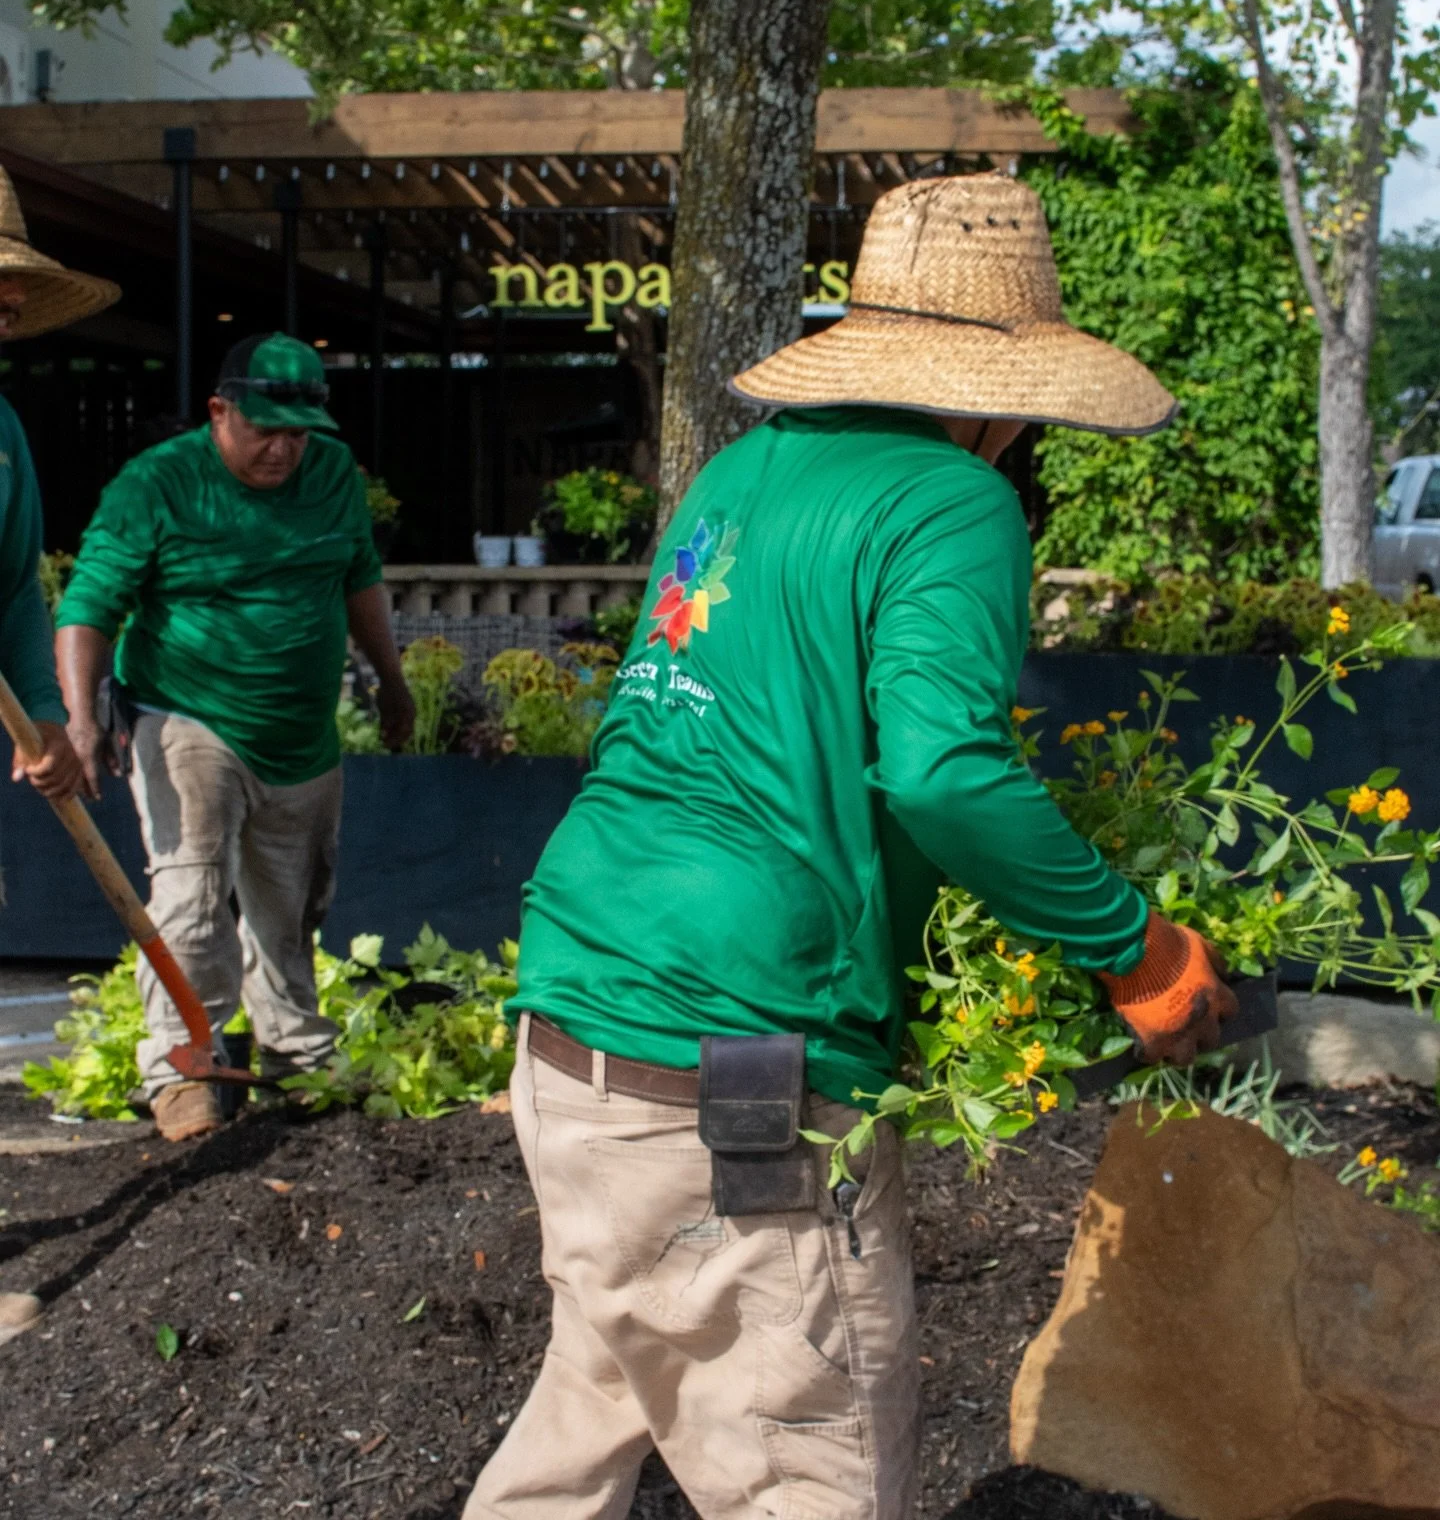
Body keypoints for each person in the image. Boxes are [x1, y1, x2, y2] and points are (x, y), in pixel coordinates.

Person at [464, 173, 1239, 1520]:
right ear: (1007, 388)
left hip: (574, 1018)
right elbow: (943, 772)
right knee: (811, 1466)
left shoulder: (742, 470)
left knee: (599, 1391)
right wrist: (1137, 950)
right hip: (741, 1064)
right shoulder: (952, 501)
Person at [54, 333, 416, 1142]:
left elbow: (358, 578)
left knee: (291, 906)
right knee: (191, 894)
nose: (284, 450)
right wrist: (79, 719)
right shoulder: (158, 482)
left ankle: (293, 1053)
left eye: (299, 434)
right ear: (220, 412)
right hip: (186, 714)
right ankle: (181, 1064)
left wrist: (392, 682)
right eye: (266, 431)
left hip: (300, 732)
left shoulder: (332, 476)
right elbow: (89, 605)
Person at [0, 164, 119, 803]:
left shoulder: (3, 430)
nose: (2, 329)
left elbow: (16, 589)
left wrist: (47, 717)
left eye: (9, 313)